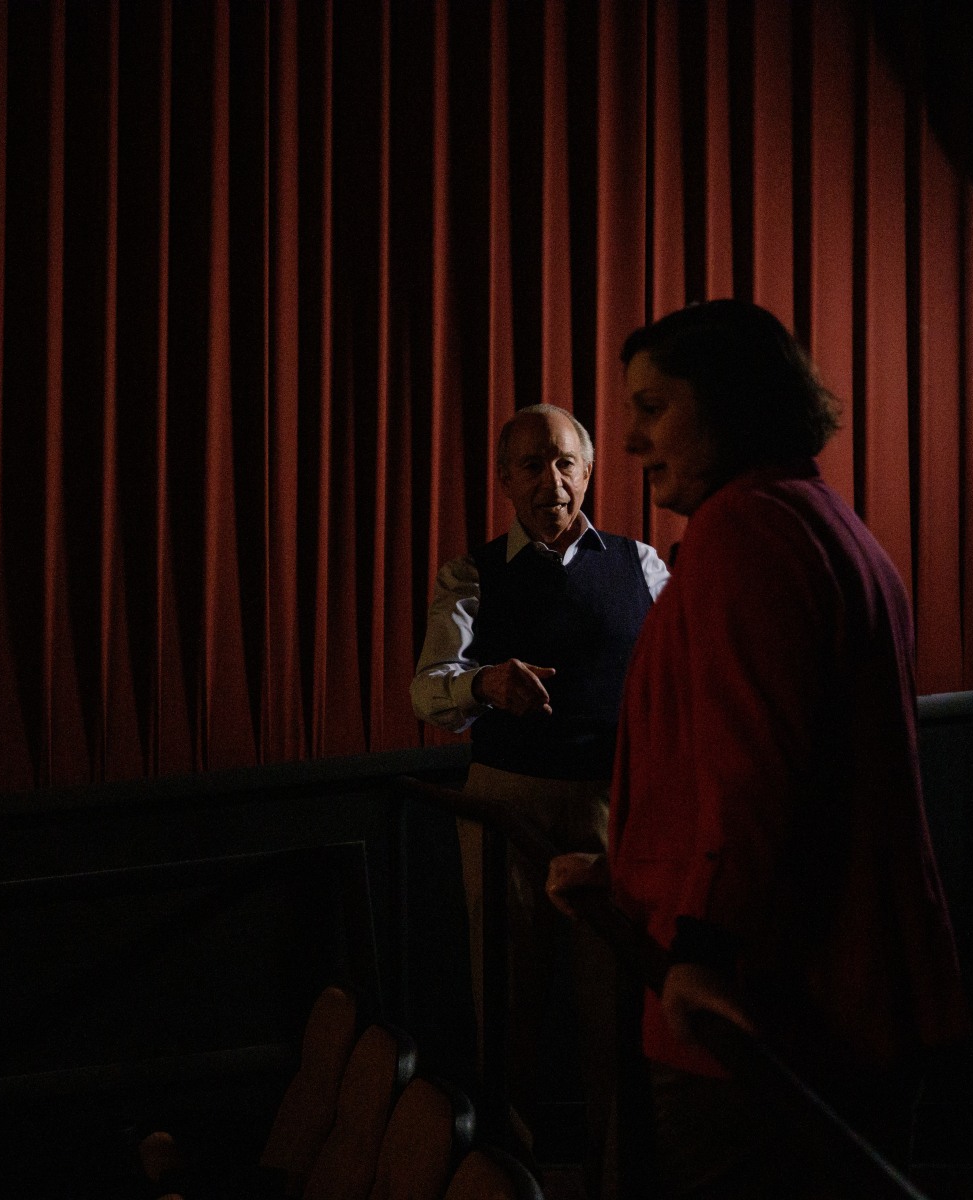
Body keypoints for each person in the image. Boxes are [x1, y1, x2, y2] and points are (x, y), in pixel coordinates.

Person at [548, 300, 970, 1196]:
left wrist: (701, 948)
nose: (631, 440)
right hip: (841, 993)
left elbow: (754, 776)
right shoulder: (816, 518)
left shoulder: (744, 535)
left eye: (653, 407)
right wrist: (628, 880)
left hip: (769, 1004)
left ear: (731, 401)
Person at [412, 402, 669, 1199]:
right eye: (531, 465)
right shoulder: (470, 574)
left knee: (614, 1015)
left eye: (564, 462)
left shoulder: (643, 564)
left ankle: (617, 1185)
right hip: (505, 810)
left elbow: (677, 677)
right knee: (507, 1013)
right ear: (504, 480)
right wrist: (484, 683)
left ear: (587, 472)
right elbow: (427, 688)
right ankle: (505, 1183)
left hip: (611, 809)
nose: (550, 480)